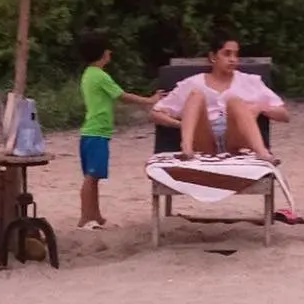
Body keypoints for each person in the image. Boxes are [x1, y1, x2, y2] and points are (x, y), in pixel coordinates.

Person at [150, 32, 288, 163]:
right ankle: (186, 148)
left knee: (234, 101)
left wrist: (260, 108)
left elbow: (284, 115)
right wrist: (182, 124)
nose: (233, 59)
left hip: (235, 138)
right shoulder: (192, 83)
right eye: (227, 54)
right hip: (204, 137)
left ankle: (262, 152)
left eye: (235, 55)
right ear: (213, 57)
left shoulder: (250, 81)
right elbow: (156, 113)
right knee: (196, 95)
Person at [77, 30, 163, 229]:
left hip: (93, 132)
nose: (111, 52)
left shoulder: (88, 74)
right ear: (102, 52)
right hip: (96, 132)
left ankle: (95, 214)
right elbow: (122, 96)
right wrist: (149, 101)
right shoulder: (100, 76)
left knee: (94, 176)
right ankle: (85, 217)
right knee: (91, 177)